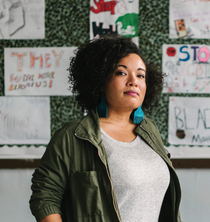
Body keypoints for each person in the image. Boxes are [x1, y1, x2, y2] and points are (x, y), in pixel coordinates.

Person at [30, 35, 181, 222]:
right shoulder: (73, 136)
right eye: (121, 73)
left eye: (141, 75)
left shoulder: (150, 130)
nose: (134, 81)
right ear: (100, 81)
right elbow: (45, 196)